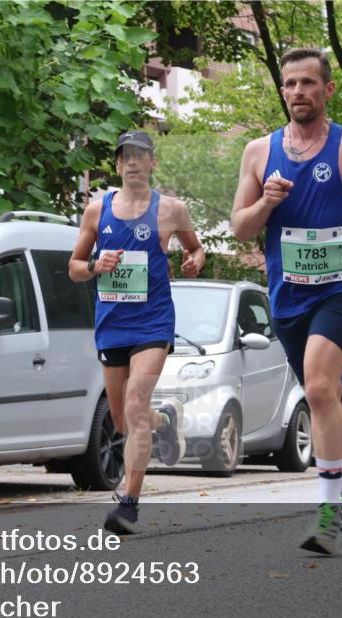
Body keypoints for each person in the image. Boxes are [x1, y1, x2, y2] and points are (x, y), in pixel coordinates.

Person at [231, 47, 342, 555]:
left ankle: (329, 512)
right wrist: (265, 201)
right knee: (319, 395)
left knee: (319, 382)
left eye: (308, 83)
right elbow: (240, 227)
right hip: (288, 297)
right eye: (290, 84)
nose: (297, 92)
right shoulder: (259, 152)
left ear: (328, 90)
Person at [69, 130, 206, 535]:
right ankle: (163, 421)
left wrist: (193, 260)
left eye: (139, 155)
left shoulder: (172, 210)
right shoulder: (97, 210)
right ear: (116, 165)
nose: (131, 162)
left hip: (153, 322)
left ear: (152, 163)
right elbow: (74, 267)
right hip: (112, 324)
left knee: (133, 402)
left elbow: (196, 248)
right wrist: (96, 265)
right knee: (123, 418)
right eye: (125, 156)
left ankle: (129, 502)